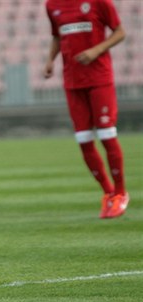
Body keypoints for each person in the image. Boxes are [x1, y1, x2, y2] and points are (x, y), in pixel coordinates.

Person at [43, 0, 129, 218]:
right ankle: (108, 193)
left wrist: (96, 50)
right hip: (72, 82)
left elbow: (120, 32)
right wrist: (50, 60)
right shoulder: (52, 5)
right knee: (84, 140)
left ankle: (120, 193)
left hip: (99, 78)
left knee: (107, 134)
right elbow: (57, 35)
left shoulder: (100, 2)